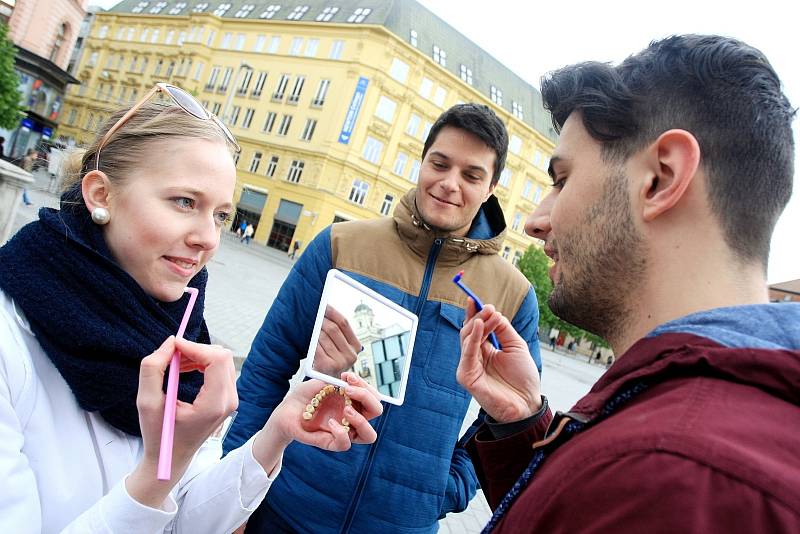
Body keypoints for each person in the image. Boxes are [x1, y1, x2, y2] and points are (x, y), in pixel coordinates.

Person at [457, 35, 799, 532]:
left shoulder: (667, 472)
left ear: (661, 178)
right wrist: (522, 423)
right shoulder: (720, 435)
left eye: (562, 179)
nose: (534, 219)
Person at [0, 88, 382, 533]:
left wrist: (275, 434)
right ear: (101, 194)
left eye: (220, 215)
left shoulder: (180, 327)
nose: (209, 238)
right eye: (185, 202)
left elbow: (186, 519)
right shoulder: (11, 337)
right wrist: (161, 469)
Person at [225, 103, 542, 532]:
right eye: (440, 164)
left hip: (402, 525)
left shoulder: (513, 295)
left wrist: (445, 488)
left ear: (491, 187)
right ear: (422, 161)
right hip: (288, 505)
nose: (449, 184)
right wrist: (237, 487)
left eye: (471, 175)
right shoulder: (340, 246)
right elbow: (266, 367)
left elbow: (511, 420)